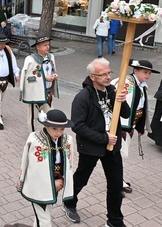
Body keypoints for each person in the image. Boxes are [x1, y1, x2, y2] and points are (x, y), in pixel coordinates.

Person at [62, 58, 130, 227]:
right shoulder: (82, 97)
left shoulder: (112, 90)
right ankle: (69, 202)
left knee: (116, 184)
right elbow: (77, 126)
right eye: (103, 74)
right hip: (92, 147)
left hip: (112, 147)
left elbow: (126, 114)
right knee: (82, 178)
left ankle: (115, 221)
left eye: (109, 73)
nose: (108, 77)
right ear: (92, 77)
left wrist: (121, 101)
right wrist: (103, 138)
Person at [17, 109, 75, 226]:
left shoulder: (68, 140)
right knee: (44, 220)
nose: (58, 133)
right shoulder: (34, 139)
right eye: (54, 128)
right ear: (45, 125)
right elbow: (27, 163)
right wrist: (21, 180)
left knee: (43, 214)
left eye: (62, 129)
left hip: (57, 184)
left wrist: (61, 180)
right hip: (38, 187)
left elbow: (69, 164)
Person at [111, 59, 159, 196]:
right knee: (121, 154)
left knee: (119, 155)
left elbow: (141, 107)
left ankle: (117, 179)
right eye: (145, 72)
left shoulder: (142, 86)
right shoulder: (124, 82)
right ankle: (117, 182)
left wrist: (140, 125)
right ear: (135, 70)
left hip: (130, 125)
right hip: (120, 125)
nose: (147, 76)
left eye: (149, 73)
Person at [20, 36, 59, 132]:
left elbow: (52, 70)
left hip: (47, 92)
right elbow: (28, 77)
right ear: (38, 47)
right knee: (32, 116)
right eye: (45, 45)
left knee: (50, 115)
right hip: (34, 92)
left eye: (48, 45)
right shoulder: (30, 59)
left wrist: (54, 75)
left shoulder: (51, 57)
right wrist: (44, 78)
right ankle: (32, 134)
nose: (48, 47)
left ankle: (48, 134)